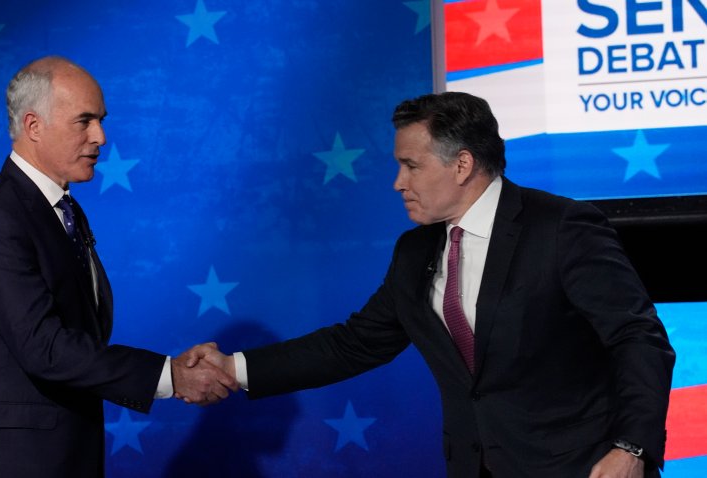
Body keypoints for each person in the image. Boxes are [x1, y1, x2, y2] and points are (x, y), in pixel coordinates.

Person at [191, 92, 676, 478]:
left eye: (412, 165)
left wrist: (631, 449)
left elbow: (639, 340)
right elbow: (353, 344)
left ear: (462, 165)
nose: (398, 182)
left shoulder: (561, 227)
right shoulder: (415, 251)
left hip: (584, 468)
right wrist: (234, 370)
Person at [0, 56, 237, 478]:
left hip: (55, 452)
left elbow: (82, 334)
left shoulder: (63, 210)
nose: (101, 136)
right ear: (33, 126)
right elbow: (45, 347)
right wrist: (168, 375)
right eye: (85, 121)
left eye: (101, 120)